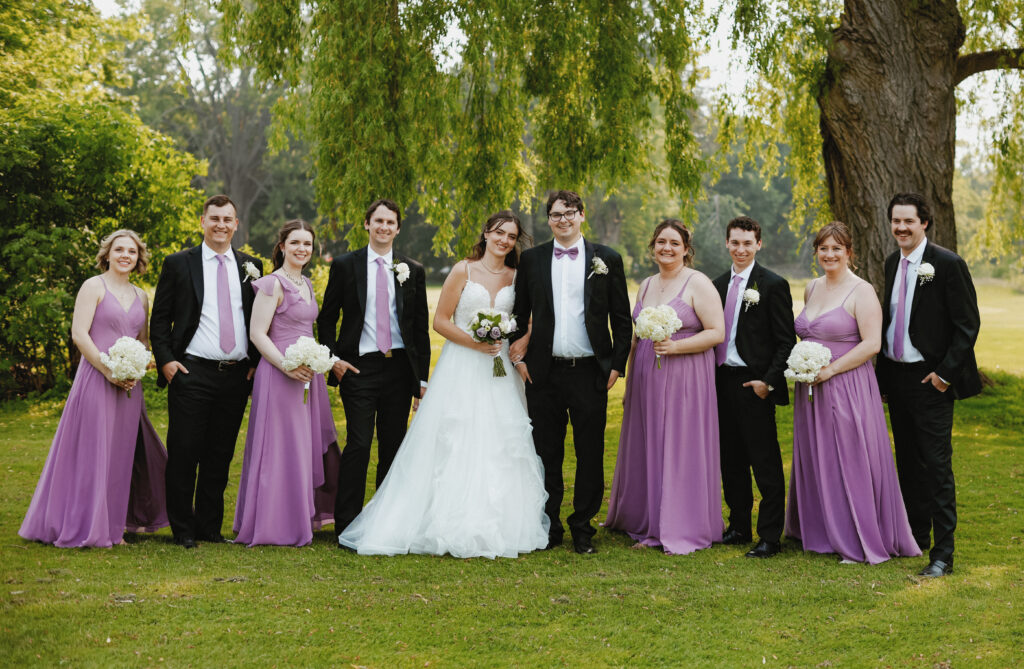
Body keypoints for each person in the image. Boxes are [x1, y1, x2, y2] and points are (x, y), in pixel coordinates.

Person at [339, 211, 549, 557]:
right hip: (462, 365)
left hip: (499, 369)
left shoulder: (517, 276)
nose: (504, 241)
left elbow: (527, 318)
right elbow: (440, 321)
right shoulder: (463, 270)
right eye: (499, 233)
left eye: (511, 236)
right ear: (486, 233)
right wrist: (475, 343)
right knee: (456, 435)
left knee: (500, 439)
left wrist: (519, 339)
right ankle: (442, 518)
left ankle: (498, 521)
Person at [20, 230, 169, 547]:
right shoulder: (93, 286)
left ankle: (114, 527)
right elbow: (79, 334)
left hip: (129, 387)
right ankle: (85, 524)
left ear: (139, 258)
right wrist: (109, 370)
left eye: (132, 251)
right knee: (93, 452)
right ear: (108, 254)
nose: (125, 255)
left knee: (120, 456)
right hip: (96, 379)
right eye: (119, 249)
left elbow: (142, 340)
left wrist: (138, 365)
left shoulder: (141, 296)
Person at [786, 222, 921, 564]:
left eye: (836, 248)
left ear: (849, 252)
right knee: (818, 455)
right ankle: (822, 529)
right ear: (817, 252)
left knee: (850, 457)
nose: (829, 254)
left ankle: (857, 536)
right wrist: (805, 366)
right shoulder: (812, 288)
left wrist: (830, 370)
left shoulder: (862, 291)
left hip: (847, 385)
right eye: (823, 248)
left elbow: (872, 344)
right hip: (811, 390)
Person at [509, 190, 632, 554]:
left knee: (589, 452)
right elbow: (519, 314)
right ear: (548, 219)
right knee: (546, 453)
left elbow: (621, 319)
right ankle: (550, 526)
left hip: (590, 372)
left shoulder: (607, 259)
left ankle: (582, 527)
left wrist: (616, 366)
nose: (562, 220)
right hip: (543, 372)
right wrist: (520, 360)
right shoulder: (532, 259)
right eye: (555, 214)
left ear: (582, 215)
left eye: (569, 213)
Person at [876, 193, 981, 577]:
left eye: (908, 221)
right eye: (896, 221)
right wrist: (882, 378)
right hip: (897, 378)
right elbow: (891, 322)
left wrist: (944, 375)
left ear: (924, 223)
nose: (901, 227)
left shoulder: (948, 264)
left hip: (930, 380)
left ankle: (942, 555)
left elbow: (967, 325)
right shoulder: (892, 263)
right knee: (908, 463)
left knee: (936, 466)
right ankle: (916, 537)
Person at [604, 220, 725, 554]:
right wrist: (630, 381)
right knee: (648, 441)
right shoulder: (646, 285)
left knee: (678, 443)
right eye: (661, 242)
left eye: (674, 243)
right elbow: (635, 338)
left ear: (686, 249)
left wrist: (677, 347)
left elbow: (717, 332)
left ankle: (680, 523)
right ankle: (646, 515)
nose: (666, 248)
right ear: (652, 247)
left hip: (686, 373)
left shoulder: (698, 283)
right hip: (647, 372)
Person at [150, 194, 263, 549]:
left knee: (220, 454)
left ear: (236, 224)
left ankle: (209, 527)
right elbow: (160, 319)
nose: (221, 225)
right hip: (191, 371)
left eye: (227, 219)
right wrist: (166, 361)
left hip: (235, 375)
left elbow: (259, 320)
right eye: (214, 218)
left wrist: (255, 362)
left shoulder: (252, 266)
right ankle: (182, 528)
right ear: (202, 221)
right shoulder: (178, 263)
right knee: (185, 452)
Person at [317, 198, 431, 536]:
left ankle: (385, 522)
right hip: (358, 368)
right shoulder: (345, 265)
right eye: (378, 221)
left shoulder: (413, 269)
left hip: (399, 370)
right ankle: (347, 523)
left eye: (390, 222)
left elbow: (419, 329)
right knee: (359, 444)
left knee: (392, 446)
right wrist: (333, 360)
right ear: (367, 224)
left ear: (398, 228)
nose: (384, 227)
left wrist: (422, 380)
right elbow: (327, 319)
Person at [233, 220, 340, 546]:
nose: (301, 249)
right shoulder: (271, 284)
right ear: (282, 246)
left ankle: (298, 518)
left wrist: (316, 362)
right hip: (279, 374)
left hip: (307, 375)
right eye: (295, 242)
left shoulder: (306, 283)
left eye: (307, 244)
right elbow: (257, 334)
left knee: (301, 445)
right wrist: (286, 366)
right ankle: (272, 523)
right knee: (279, 445)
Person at [713, 216, 795, 558]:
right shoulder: (716, 285)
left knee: (764, 461)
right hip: (721, 381)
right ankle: (739, 526)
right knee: (730, 459)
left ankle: (770, 535)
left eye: (748, 243)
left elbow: (786, 341)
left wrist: (768, 382)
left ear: (758, 244)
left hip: (754, 383)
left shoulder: (773, 285)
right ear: (727, 243)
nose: (741, 249)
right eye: (735, 242)